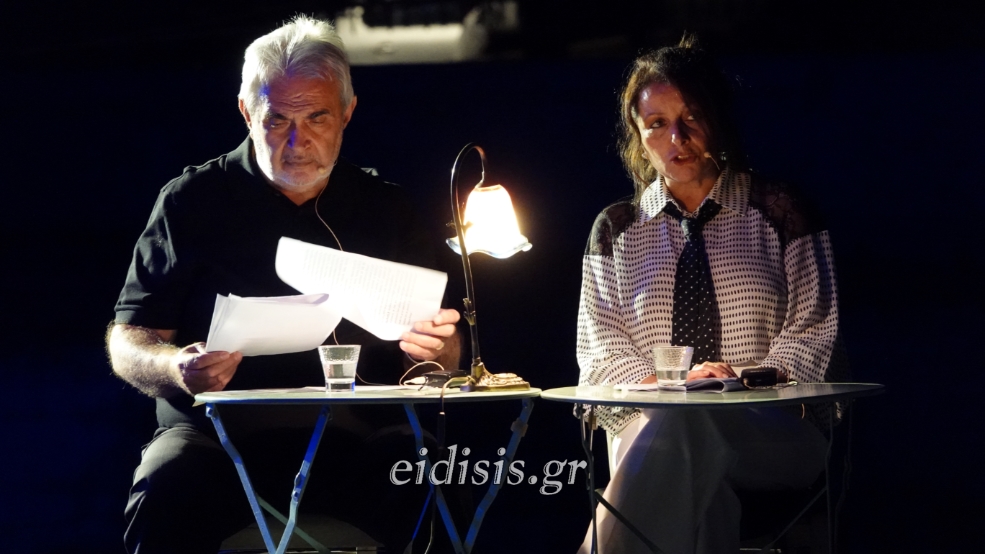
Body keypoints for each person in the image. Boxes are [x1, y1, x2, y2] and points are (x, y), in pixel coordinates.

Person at [107, 16, 461, 554]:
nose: (298, 142)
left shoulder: (385, 208)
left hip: (358, 437)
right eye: (277, 121)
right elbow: (129, 340)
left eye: (317, 117)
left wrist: (441, 354)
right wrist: (176, 367)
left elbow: (437, 359)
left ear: (347, 112)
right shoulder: (192, 201)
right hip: (218, 438)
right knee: (167, 482)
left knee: (432, 472)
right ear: (247, 112)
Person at [576, 36, 848, 553]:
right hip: (646, 426)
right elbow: (600, 352)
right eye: (657, 123)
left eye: (691, 117)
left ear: (716, 119)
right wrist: (675, 385)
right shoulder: (617, 229)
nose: (676, 137)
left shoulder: (779, 210)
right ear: (639, 135)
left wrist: (731, 382)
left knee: (688, 424)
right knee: (695, 467)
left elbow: (815, 334)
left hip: (770, 428)